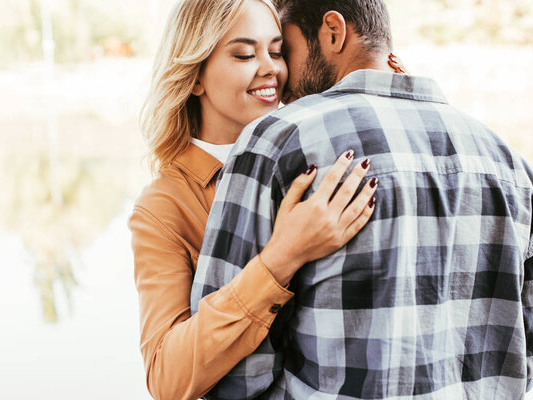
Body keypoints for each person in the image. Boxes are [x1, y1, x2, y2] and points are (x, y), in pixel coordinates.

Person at [190, 0, 533, 398]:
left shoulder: (279, 140)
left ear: (332, 31)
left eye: (285, 48)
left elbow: (227, 367)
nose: (279, 76)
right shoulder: (509, 163)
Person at [128, 0, 379, 399]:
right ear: (195, 76)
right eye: (245, 54)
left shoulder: (311, 154)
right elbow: (167, 377)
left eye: (277, 51)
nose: (271, 69)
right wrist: (282, 257)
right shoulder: (164, 206)